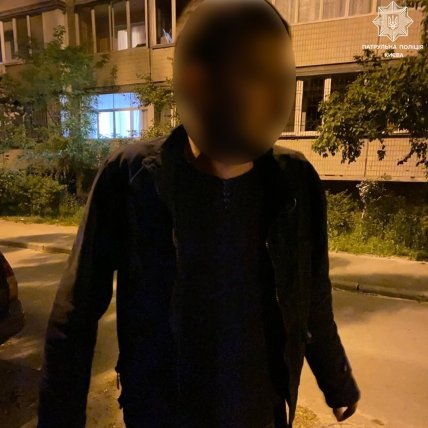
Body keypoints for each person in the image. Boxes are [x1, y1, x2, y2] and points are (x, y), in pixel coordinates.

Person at [37, 1, 361, 427]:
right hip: (161, 414)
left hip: (261, 413)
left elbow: (313, 292)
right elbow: (76, 309)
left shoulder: (295, 182)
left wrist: (337, 380)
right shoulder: (131, 178)